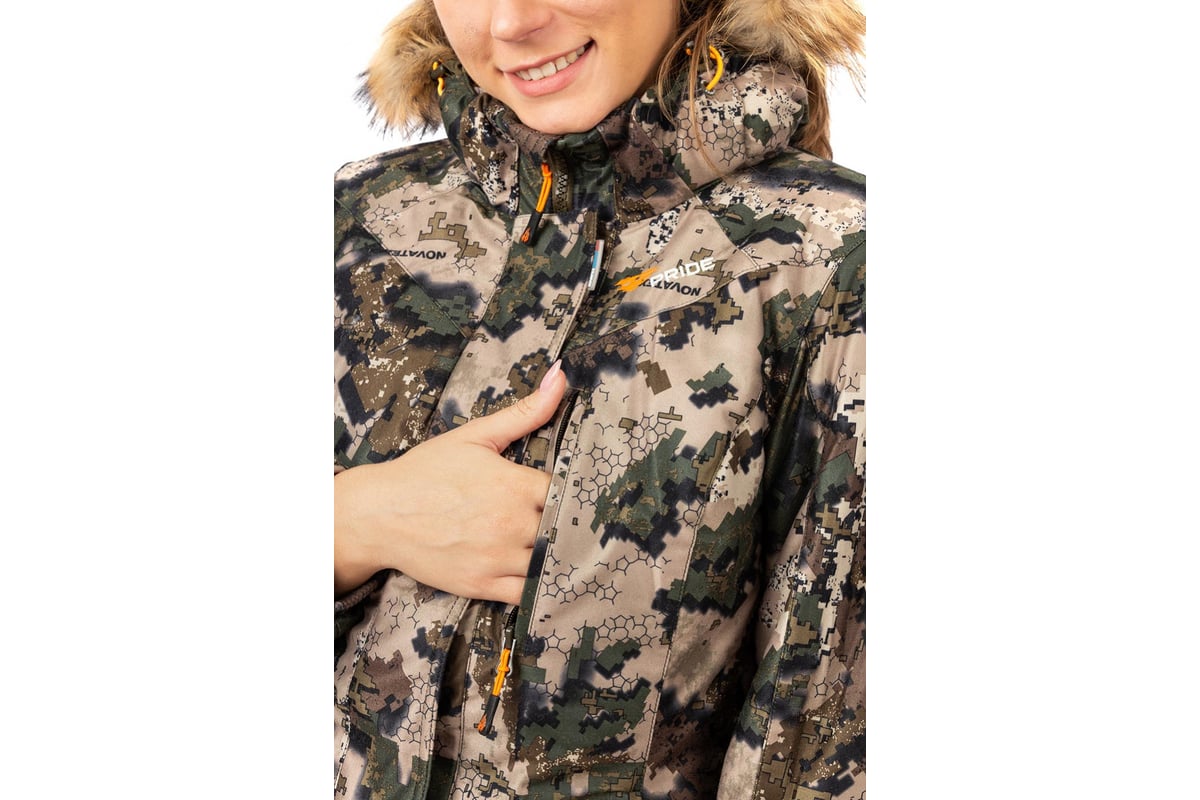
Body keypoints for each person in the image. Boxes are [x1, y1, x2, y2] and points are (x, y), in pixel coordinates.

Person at [334, 0, 865, 797]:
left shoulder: (832, 261)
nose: (510, 22)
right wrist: (356, 521)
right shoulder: (361, 218)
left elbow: (824, 738)